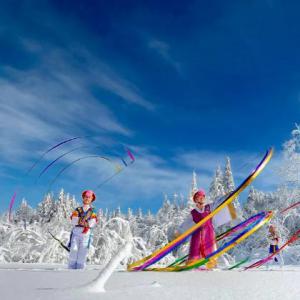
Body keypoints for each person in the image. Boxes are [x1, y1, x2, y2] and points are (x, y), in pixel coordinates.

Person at [175, 189, 237, 269]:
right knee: (195, 249)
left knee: (209, 248)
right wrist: (179, 232)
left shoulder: (209, 207)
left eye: (202, 197)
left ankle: (211, 264)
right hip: (197, 234)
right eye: (199, 197)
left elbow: (218, 203)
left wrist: (227, 196)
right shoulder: (193, 212)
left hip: (209, 232)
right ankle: (192, 264)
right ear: (195, 199)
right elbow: (186, 223)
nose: (201, 198)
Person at [68, 190, 98, 269]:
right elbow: (73, 220)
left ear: (91, 199)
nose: (87, 198)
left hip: (86, 234)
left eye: (89, 197)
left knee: (82, 254)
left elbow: (93, 221)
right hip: (76, 233)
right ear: (83, 198)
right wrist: (79, 221)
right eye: (86, 197)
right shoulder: (78, 209)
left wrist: (86, 223)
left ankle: (80, 272)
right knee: (73, 251)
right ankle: (70, 270)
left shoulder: (92, 211)